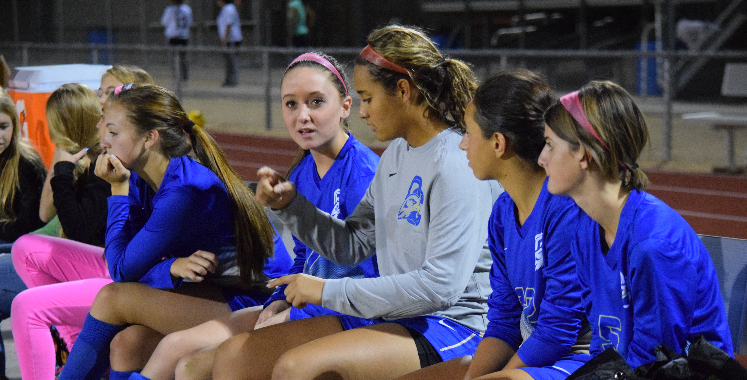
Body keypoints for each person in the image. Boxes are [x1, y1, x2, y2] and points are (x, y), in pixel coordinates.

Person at [211, 24, 500, 380]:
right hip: (397, 317)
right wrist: (293, 208)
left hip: (453, 327)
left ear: (404, 91)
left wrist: (326, 290)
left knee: (296, 368)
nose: (362, 112)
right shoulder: (396, 154)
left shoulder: (455, 163)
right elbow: (354, 243)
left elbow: (441, 287)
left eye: (367, 97)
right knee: (237, 357)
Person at [125, 51, 381, 380]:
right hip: (305, 306)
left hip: (347, 316)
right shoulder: (302, 172)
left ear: (345, 106)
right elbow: (303, 256)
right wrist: (279, 301)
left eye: (316, 102)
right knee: (181, 357)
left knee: (211, 363)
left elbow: (373, 275)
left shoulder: (361, 174)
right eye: (291, 104)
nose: (303, 115)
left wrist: (300, 309)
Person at [57, 84, 290, 380]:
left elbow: (120, 271)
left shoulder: (186, 191)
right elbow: (129, 261)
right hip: (220, 288)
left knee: (112, 297)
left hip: (260, 300)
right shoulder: (145, 176)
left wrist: (117, 191)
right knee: (127, 344)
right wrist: (171, 267)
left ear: (149, 139)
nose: (104, 140)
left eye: (114, 132)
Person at [394, 71, 592, 380]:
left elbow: (558, 334)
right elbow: (503, 322)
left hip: (583, 360)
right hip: (535, 355)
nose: (462, 145)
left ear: (499, 143)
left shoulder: (566, 211)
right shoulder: (502, 211)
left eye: (469, 133)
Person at [539, 81, 733, 369]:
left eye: (550, 145)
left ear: (583, 154)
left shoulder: (652, 247)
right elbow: (602, 346)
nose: (542, 158)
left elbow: (655, 364)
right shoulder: (585, 230)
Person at [9, 72, 154, 380]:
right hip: (116, 268)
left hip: (134, 283)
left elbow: (95, 239)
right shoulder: (112, 165)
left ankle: (76, 354)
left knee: (26, 306)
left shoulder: (144, 174)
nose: (98, 125)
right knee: (24, 248)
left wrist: (64, 171)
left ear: (146, 135)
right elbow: (48, 216)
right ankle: (77, 345)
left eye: (109, 125)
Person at [0, 89, 46, 380]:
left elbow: (29, 227)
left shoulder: (26, 164)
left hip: (21, 253)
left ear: (14, 126)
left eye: (3, 126)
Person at [161, 0, 193, 82]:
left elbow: (164, 22)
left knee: (174, 58)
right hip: (184, 36)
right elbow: (189, 22)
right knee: (183, 58)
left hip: (173, 36)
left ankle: (177, 78)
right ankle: (185, 78)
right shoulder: (187, 9)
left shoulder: (170, 9)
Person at [216, 0, 242, 87]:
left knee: (232, 60)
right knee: (228, 61)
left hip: (231, 39)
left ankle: (233, 80)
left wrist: (225, 39)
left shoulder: (228, 9)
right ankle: (228, 80)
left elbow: (229, 24)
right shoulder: (226, 9)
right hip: (229, 39)